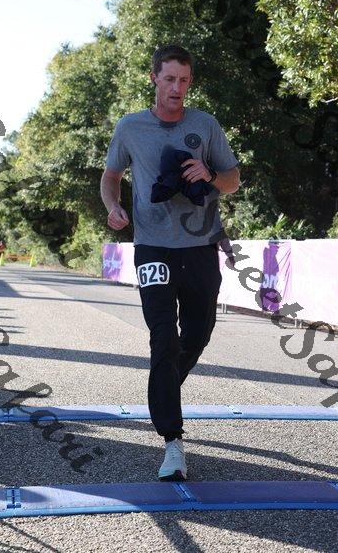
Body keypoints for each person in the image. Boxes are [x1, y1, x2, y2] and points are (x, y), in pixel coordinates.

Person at [100, 44, 240, 481]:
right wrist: (113, 206)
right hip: (152, 247)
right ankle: (172, 441)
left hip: (200, 248)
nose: (177, 88)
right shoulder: (131, 127)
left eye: (184, 80)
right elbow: (111, 176)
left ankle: (161, 391)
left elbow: (233, 180)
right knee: (163, 337)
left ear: (190, 82)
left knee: (196, 335)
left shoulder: (205, 125)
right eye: (169, 79)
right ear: (154, 79)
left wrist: (210, 175)